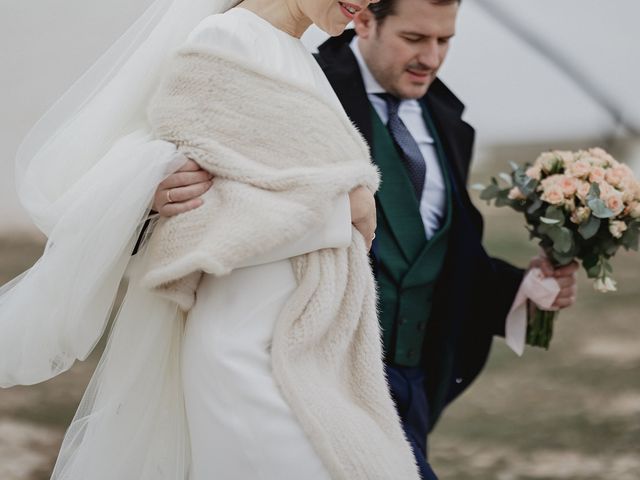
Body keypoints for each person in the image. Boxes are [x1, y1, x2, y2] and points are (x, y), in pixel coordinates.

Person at [0, 0, 423, 479]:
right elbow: (208, 221)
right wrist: (343, 211)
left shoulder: (298, 56)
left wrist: (347, 207)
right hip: (245, 350)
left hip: (302, 350)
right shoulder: (227, 41)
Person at [161, 0, 580, 478]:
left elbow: (441, 249)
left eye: (445, 41)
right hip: (313, 368)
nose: (432, 58)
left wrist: (520, 291)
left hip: (414, 381)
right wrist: (155, 187)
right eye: (414, 39)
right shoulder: (297, 82)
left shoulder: (447, 118)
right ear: (364, 21)